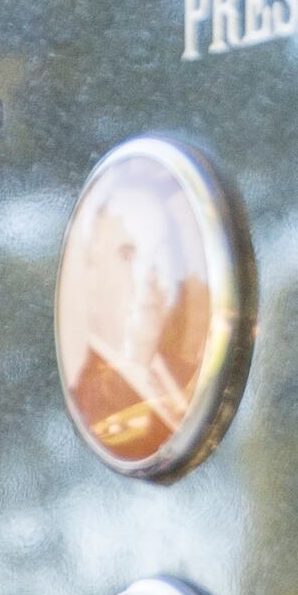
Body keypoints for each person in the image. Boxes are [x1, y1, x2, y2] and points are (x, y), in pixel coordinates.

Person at [57, 169, 211, 470]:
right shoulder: (96, 407)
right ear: (91, 273)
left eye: (158, 256)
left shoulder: (189, 376)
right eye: (127, 255)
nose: (147, 276)